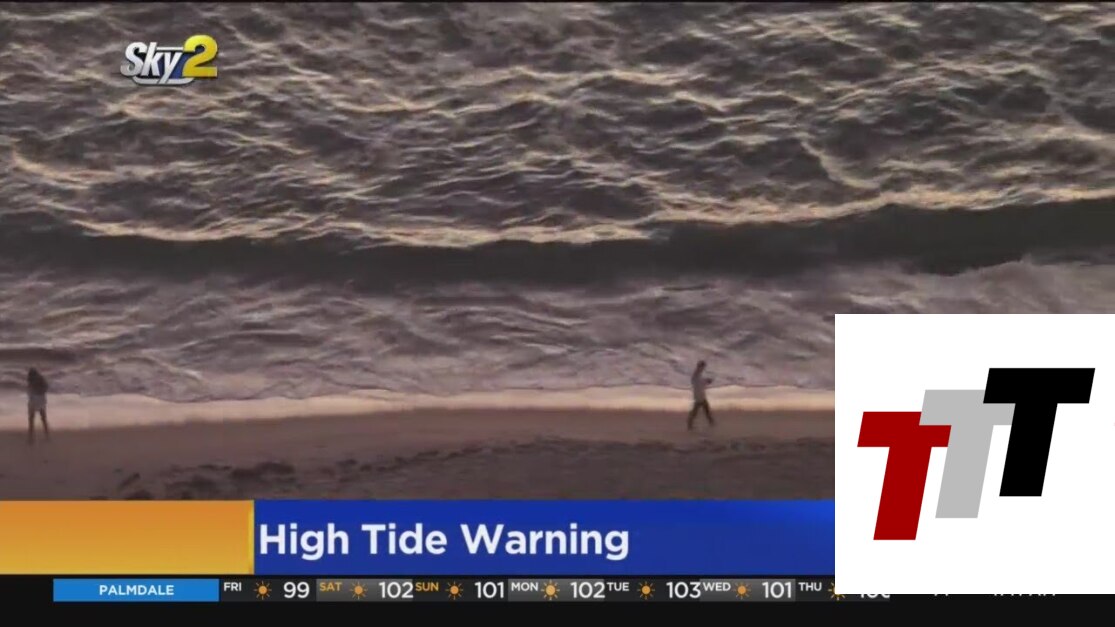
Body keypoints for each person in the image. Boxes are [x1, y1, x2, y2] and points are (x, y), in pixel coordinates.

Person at [687, 360, 714, 431]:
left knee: (705, 410)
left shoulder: (698, 375)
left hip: (700, 395)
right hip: (699, 396)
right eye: (702, 367)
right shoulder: (696, 375)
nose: (703, 368)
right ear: (699, 367)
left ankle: (711, 422)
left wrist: (707, 381)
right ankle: (690, 424)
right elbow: (698, 382)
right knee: (699, 410)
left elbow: (700, 382)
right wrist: (707, 381)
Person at [27, 368, 50, 444]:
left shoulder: (31, 379)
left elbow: (29, 390)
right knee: (43, 418)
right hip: (40, 400)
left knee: (31, 419)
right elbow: (46, 388)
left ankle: (31, 438)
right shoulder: (40, 379)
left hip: (34, 400)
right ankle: (47, 435)